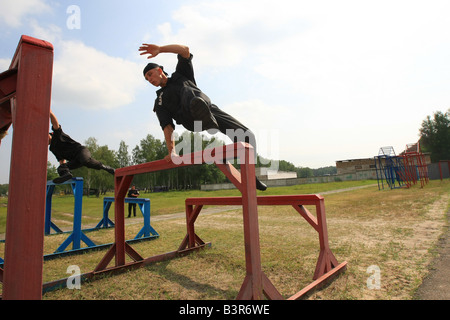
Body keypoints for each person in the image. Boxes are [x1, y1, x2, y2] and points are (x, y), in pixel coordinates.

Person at [138, 43, 267, 191]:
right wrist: (171, 151)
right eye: (147, 80)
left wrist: (160, 49)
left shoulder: (181, 74)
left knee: (247, 136)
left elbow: (185, 51)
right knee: (189, 94)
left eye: (150, 75)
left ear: (159, 70)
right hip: (191, 119)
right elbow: (167, 126)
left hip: (209, 110)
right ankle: (200, 110)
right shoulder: (160, 101)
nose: (150, 80)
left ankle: (249, 176)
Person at [48, 110, 115, 184]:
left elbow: (55, 123)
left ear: (49, 135)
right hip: (75, 161)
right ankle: (67, 175)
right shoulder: (52, 148)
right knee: (60, 168)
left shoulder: (57, 135)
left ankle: (105, 167)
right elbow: (61, 160)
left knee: (85, 160)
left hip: (81, 151)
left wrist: (50, 113)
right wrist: (64, 170)